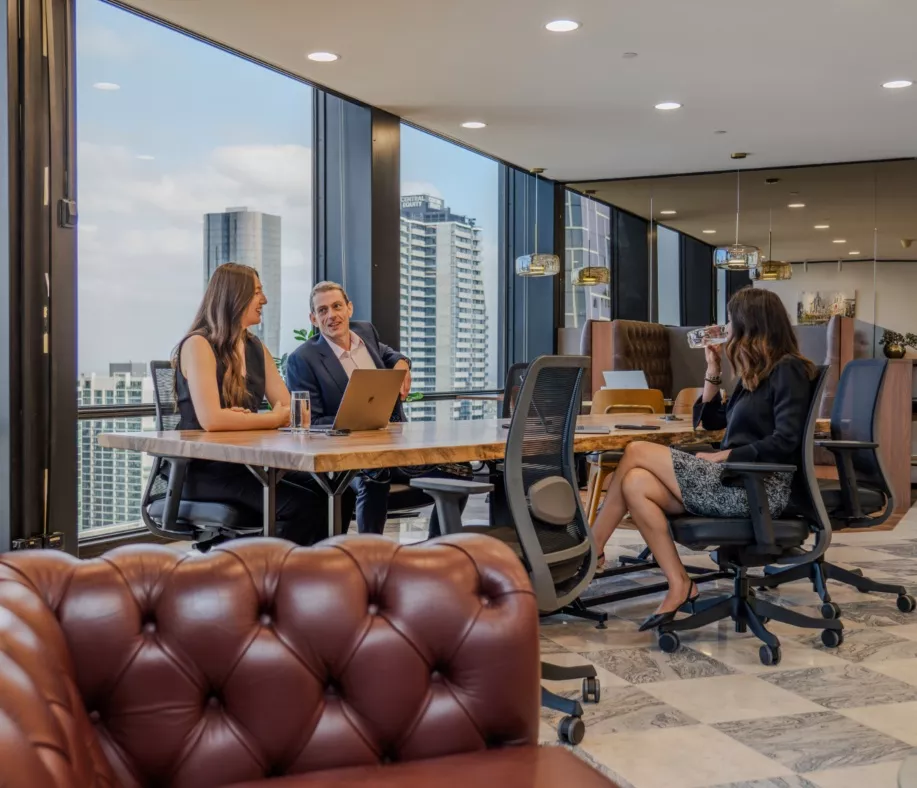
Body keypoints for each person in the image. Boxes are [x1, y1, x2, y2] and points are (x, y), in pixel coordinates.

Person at [590, 287, 815, 631]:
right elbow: (711, 421)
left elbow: (786, 441)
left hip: (756, 485)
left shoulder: (788, 370)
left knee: (635, 449)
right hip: (732, 477)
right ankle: (680, 583)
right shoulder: (754, 373)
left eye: (730, 320)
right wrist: (713, 370)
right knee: (636, 482)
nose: (726, 327)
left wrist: (728, 454)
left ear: (748, 324)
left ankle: (593, 551)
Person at [174, 263, 352, 545]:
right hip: (209, 472)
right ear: (235, 296)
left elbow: (293, 409)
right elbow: (212, 420)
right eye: (257, 292)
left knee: (341, 494)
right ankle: (274, 576)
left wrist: (247, 418)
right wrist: (268, 418)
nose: (264, 300)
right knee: (306, 504)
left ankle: (315, 576)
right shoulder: (199, 345)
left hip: (251, 466)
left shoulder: (255, 347)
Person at [284, 281, 471, 536]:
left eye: (337, 306)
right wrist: (353, 422)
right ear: (313, 319)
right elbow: (311, 422)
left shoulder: (365, 332)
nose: (332, 315)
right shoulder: (302, 359)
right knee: (376, 473)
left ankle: (437, 548)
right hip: (351, 458)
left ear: (349, 308)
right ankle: (371, 558)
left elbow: (388, 353)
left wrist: (402, 362)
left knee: (460, 469)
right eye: (323, 310)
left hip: (398, 448)